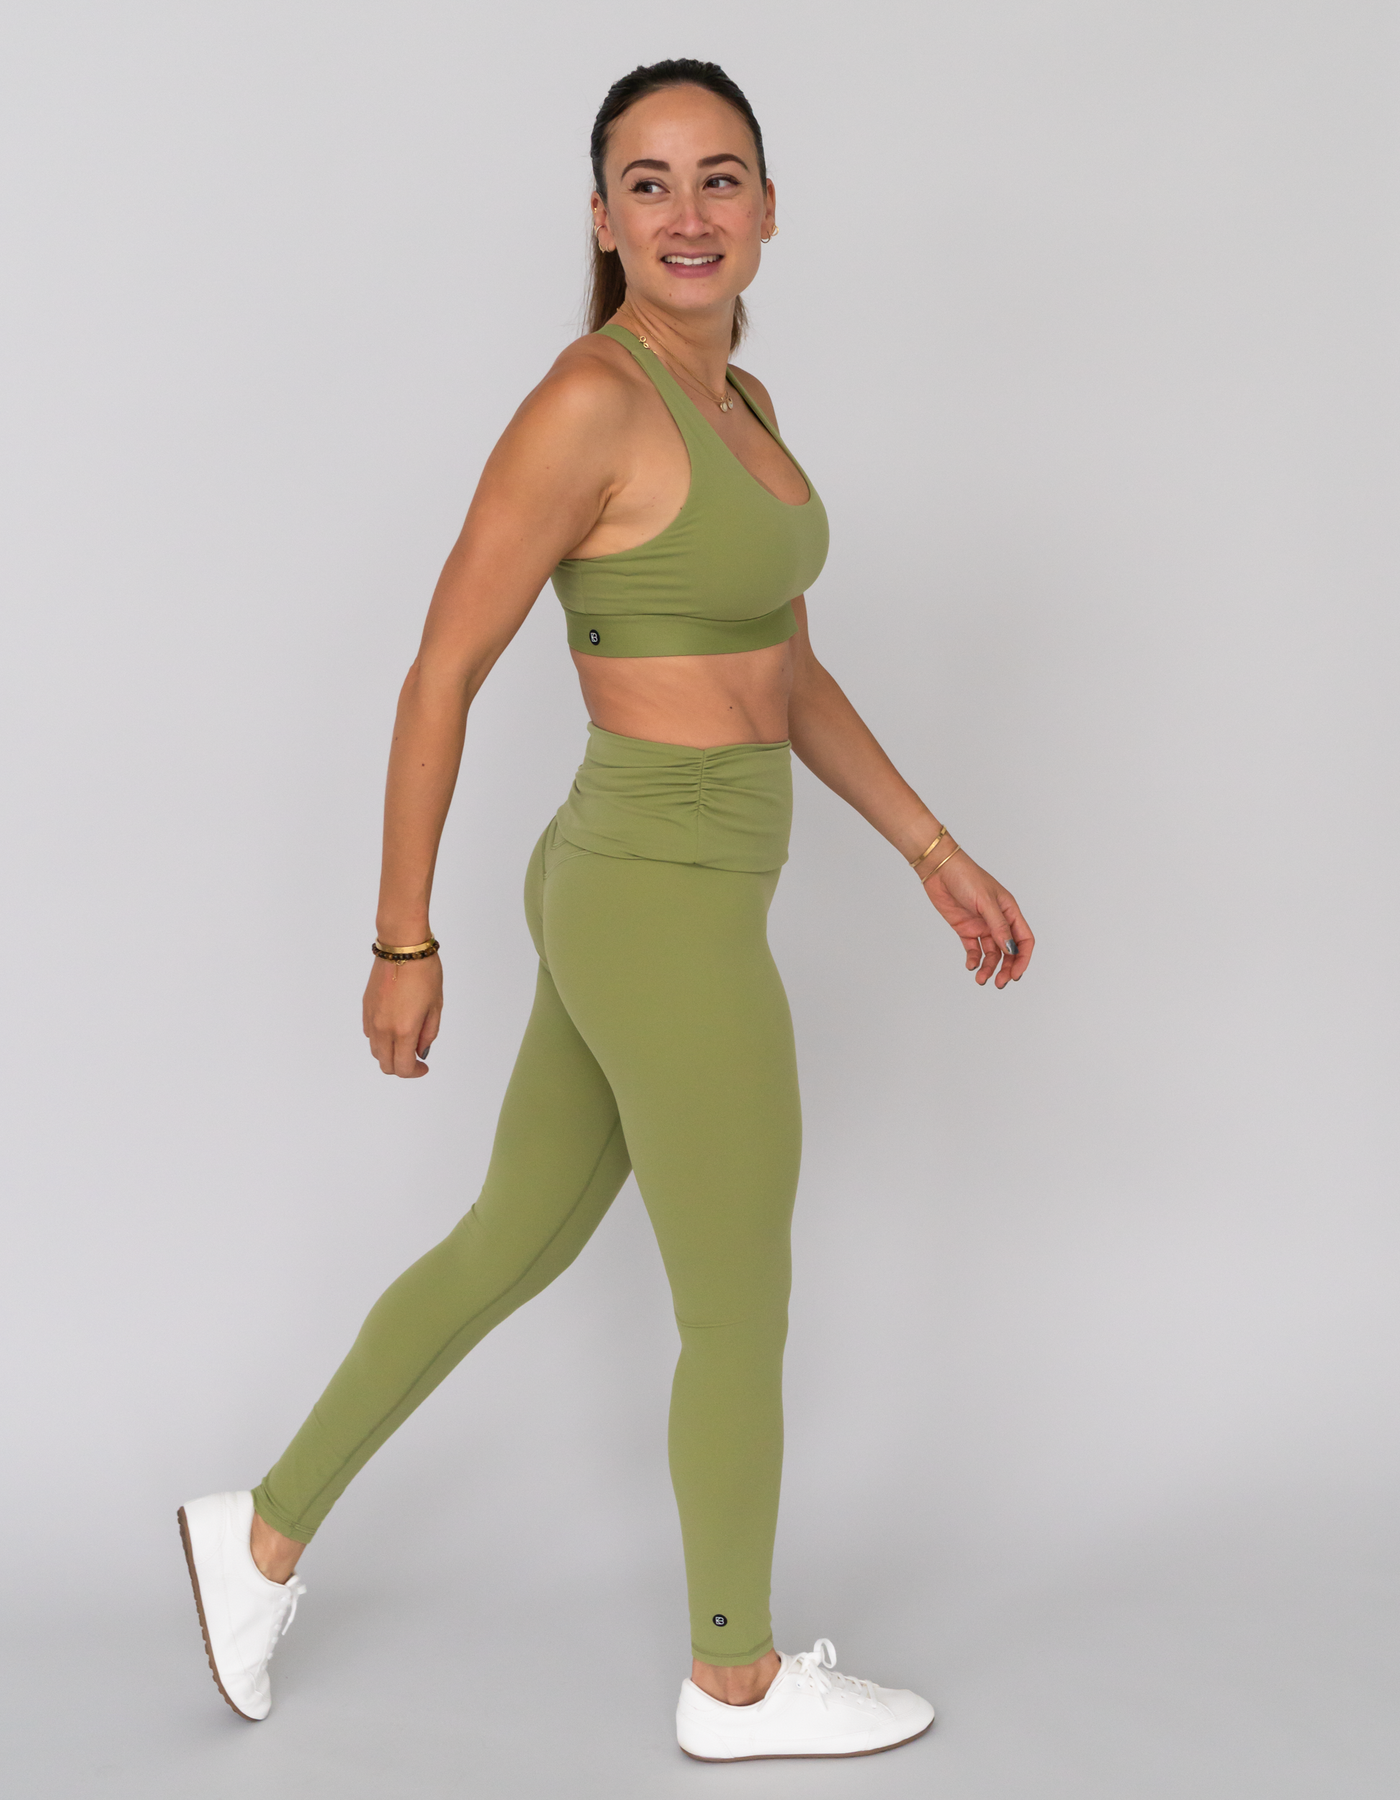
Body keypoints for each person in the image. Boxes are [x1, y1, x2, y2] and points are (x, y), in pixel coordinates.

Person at [178, 57, 1034, 1763]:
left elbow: (780, 667)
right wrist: (402, 939)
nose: (688, 213)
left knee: (515, 1236)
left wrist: (930, 847)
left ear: (769, 208)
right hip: (656, 899)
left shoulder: (743, 402)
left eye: (720, 178)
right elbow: (441, 671)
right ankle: (737, 1681)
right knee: (737, 1300)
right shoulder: (589, 402)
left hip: (656, 882)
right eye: (649, 183)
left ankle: (256, 1534)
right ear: (600, 218)